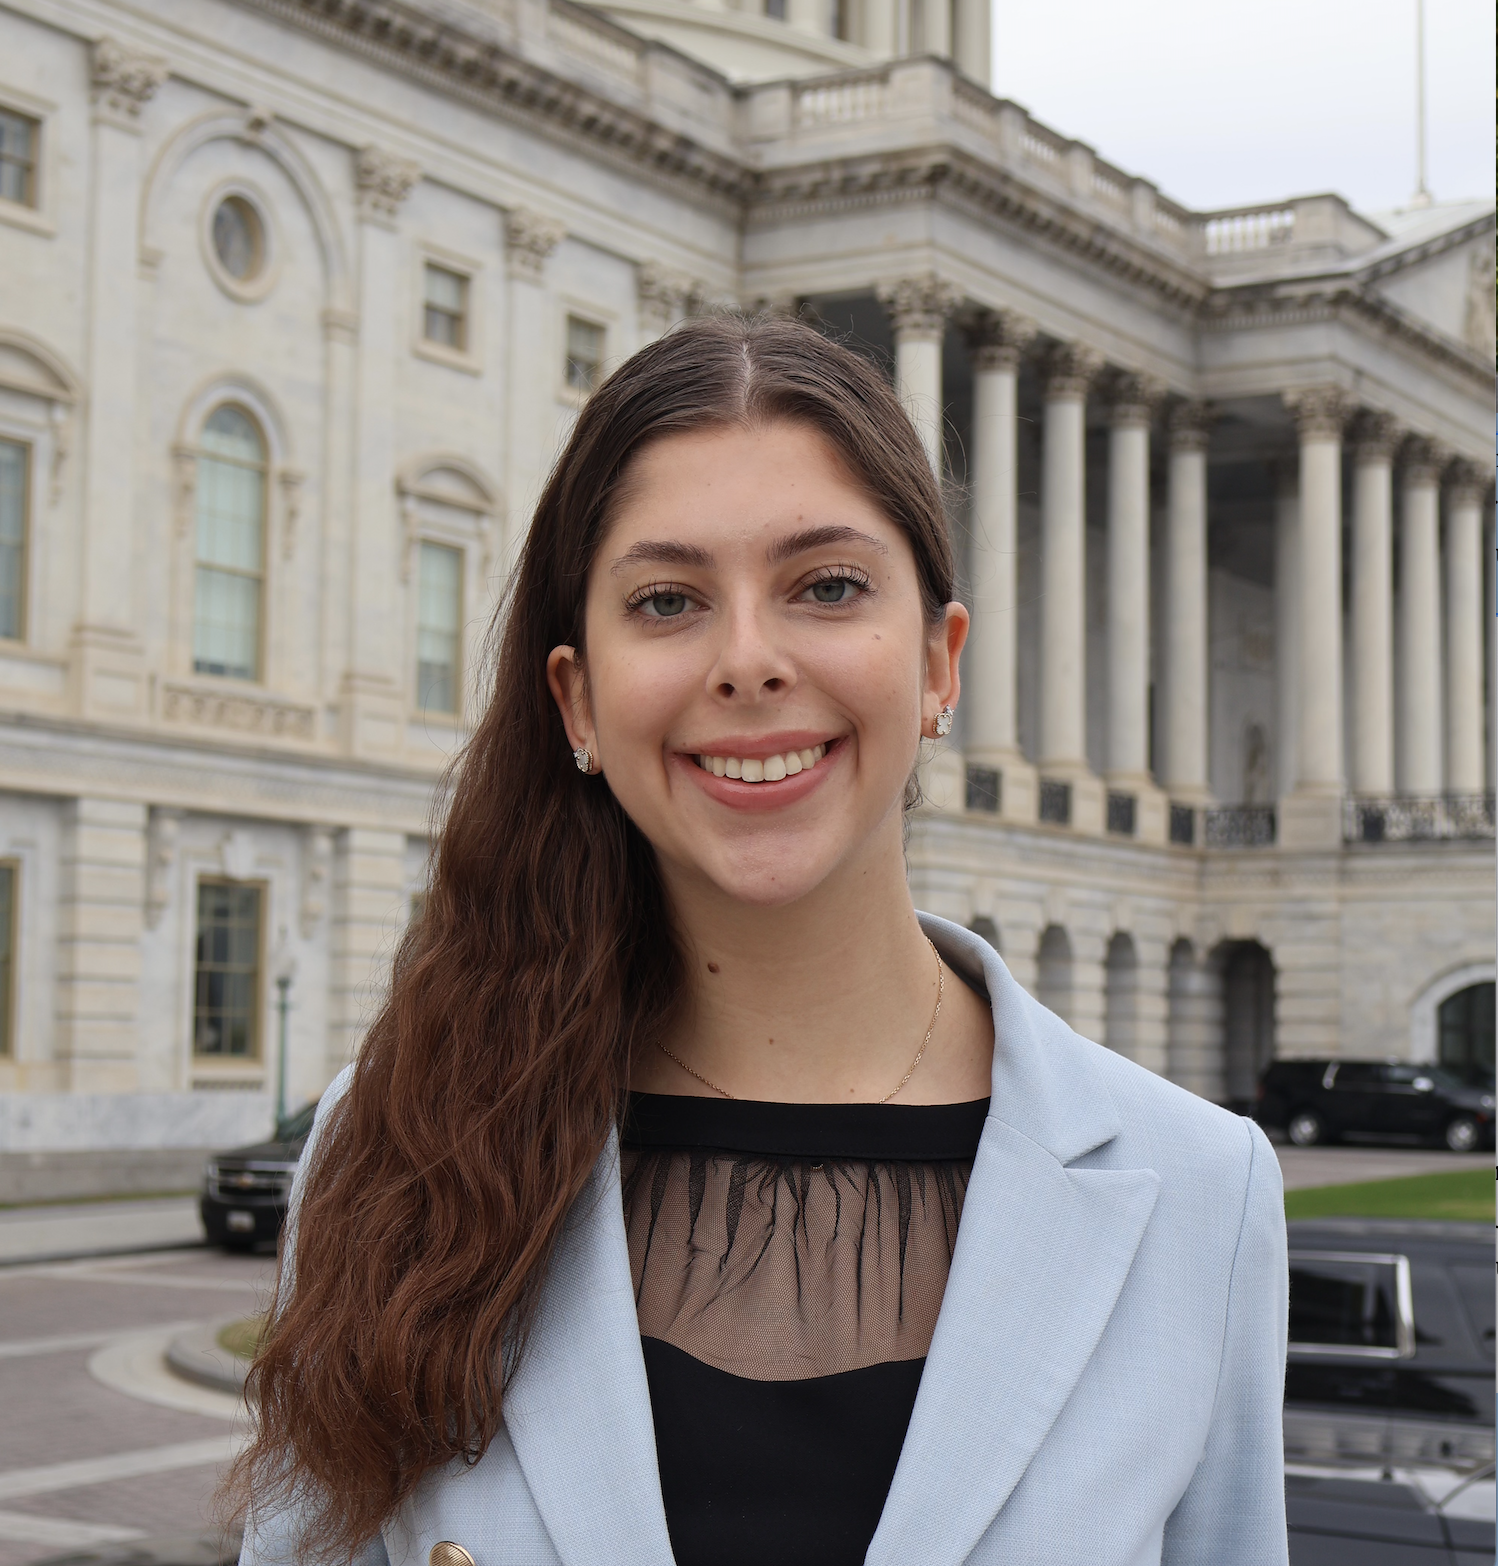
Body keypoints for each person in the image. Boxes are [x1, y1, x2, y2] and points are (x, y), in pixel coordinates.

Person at [235, 316, 1288, 1566]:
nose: (747, 661)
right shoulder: (390, 1144)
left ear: (941, 663)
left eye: (827, 585)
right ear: (577, 697)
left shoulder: (1200, 1193)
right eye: (667, 599)